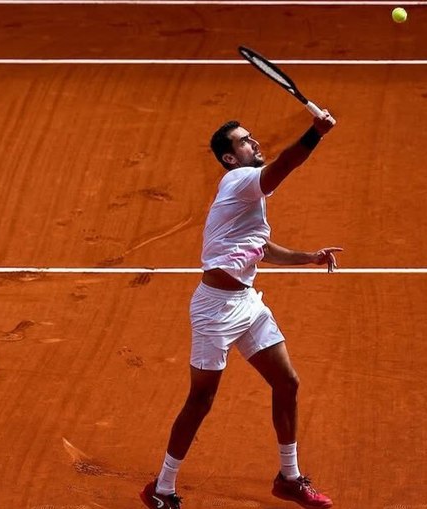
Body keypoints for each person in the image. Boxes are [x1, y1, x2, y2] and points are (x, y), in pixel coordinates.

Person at [139, 110, 340, 509]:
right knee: (201, 400)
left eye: (252, 138)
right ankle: (161, 489)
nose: (255, 144)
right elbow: (285, 164)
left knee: (287, 383)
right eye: (245, 141)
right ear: (230, 158)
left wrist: (309, 257)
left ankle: (289, 477)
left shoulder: (251, 196)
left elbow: (261, 248)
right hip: (214, 310)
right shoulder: (239, 180)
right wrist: (315, 134)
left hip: (247, 302)